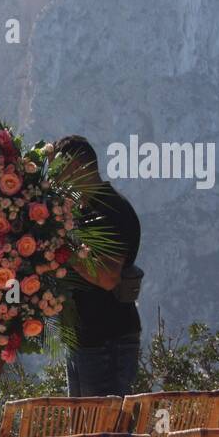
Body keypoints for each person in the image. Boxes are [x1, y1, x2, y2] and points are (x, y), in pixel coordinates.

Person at [54, 135, 144, 397]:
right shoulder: (83, 210)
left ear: (78, 167)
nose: (56, 180)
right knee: (84, 432)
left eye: (60, 171)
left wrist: (63, 248)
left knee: (104, 431)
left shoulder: (110, 210)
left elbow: (107, 277)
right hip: (85, 339)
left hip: (108, 341)